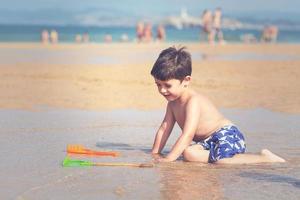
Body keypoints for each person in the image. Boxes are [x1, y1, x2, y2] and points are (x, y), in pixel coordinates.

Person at [150, 46, 286, 164]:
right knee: (188, 154)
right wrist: (155, 154)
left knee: (221, 162)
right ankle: (225, 156)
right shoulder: (172, 104)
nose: (162, 90)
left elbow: (188, 134)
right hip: (206, 142)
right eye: (158, 85)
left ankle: (263, 158)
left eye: (167, 85)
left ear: (186, 81)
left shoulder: (193, 101)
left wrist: (169, 159)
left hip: (227, 136)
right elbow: (164, 129)